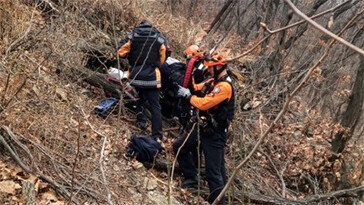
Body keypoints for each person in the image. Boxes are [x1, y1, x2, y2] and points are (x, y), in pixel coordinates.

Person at [177, 52, 235, 204]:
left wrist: (189, 97)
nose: (208, 70)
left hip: (215, 134)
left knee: (214, 172)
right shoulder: (213, 82)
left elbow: (204, 103)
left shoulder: (224, 87)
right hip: (202, 127)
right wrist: (187, 81)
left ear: (219, 68)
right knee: (179, 147)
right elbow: (197, 87)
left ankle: (220, 202)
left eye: (211, 68)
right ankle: (191, 178)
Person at [118, 19, 168, 141]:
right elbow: (163, 57)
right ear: (151, 26)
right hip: (152, 77)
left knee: (140, 99)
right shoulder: (159, 38)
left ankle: (141, 122)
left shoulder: (132, 36)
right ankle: (157, 135)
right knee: (155, 106)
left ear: (140, 26)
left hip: (135, 76)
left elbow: (120, 52)